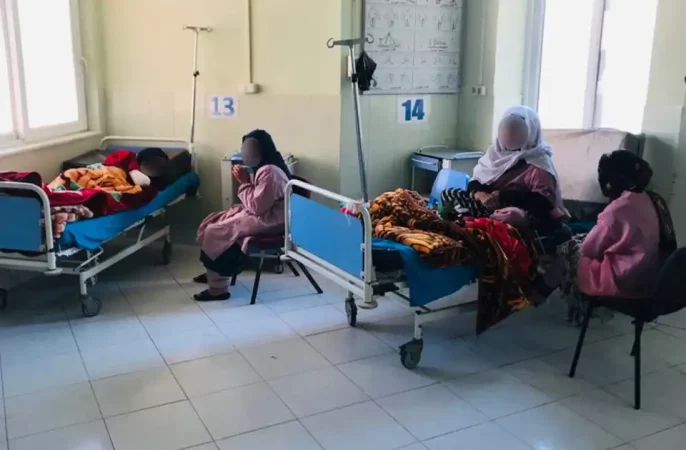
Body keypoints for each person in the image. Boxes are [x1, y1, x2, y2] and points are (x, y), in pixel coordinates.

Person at [557, 150, 676, 323]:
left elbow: (589, 249)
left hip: (625, 281)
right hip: (652, 276)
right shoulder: (651, 198)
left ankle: (578, 304)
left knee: (569, 249)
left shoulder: (616, 210)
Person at [194, 129, 291, 301]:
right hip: (264, 214)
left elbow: (256, 207)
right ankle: (214, 272)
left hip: (272, 221)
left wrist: (244, 182)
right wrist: (247, 181)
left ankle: (218, 289)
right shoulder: (264, 167)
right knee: (213, 220)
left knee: (215, 231)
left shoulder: (270, 172)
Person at [441, 105, 568, 236]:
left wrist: (502, 196)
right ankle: (476, 223)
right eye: (508, 130)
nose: (511, 135)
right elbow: (476, 181)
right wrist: (480, 194)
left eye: (517, 131)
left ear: (531, 132)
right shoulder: (494, 154)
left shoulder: (539, 162)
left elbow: (544, 202)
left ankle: (476, 225)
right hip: (488, 204)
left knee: (512, 217)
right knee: (449, 193)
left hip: (518, 210)